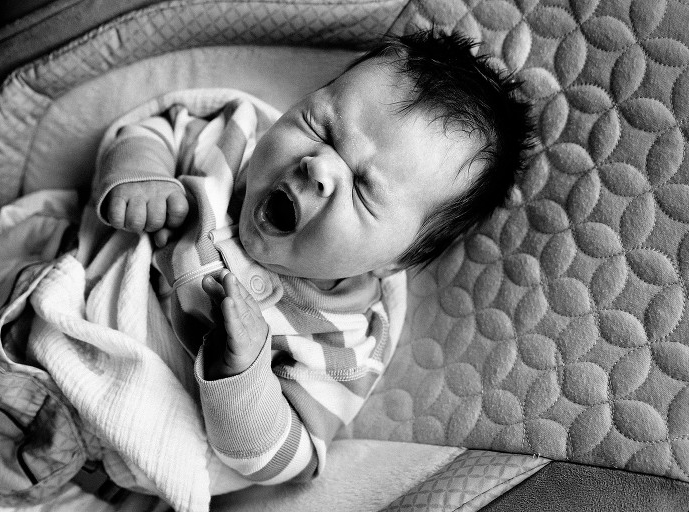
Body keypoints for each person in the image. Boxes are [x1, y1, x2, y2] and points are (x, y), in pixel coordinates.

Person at [92, 28, 533, 487]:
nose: (319, 166)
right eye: (319, 126)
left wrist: (244, 373)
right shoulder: (231, 144)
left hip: (120, 438)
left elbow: (290, 459)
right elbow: (153, 130)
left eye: (363, 188)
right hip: (65, 295)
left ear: (393, 261)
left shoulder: (343, 339)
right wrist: (140, 173)